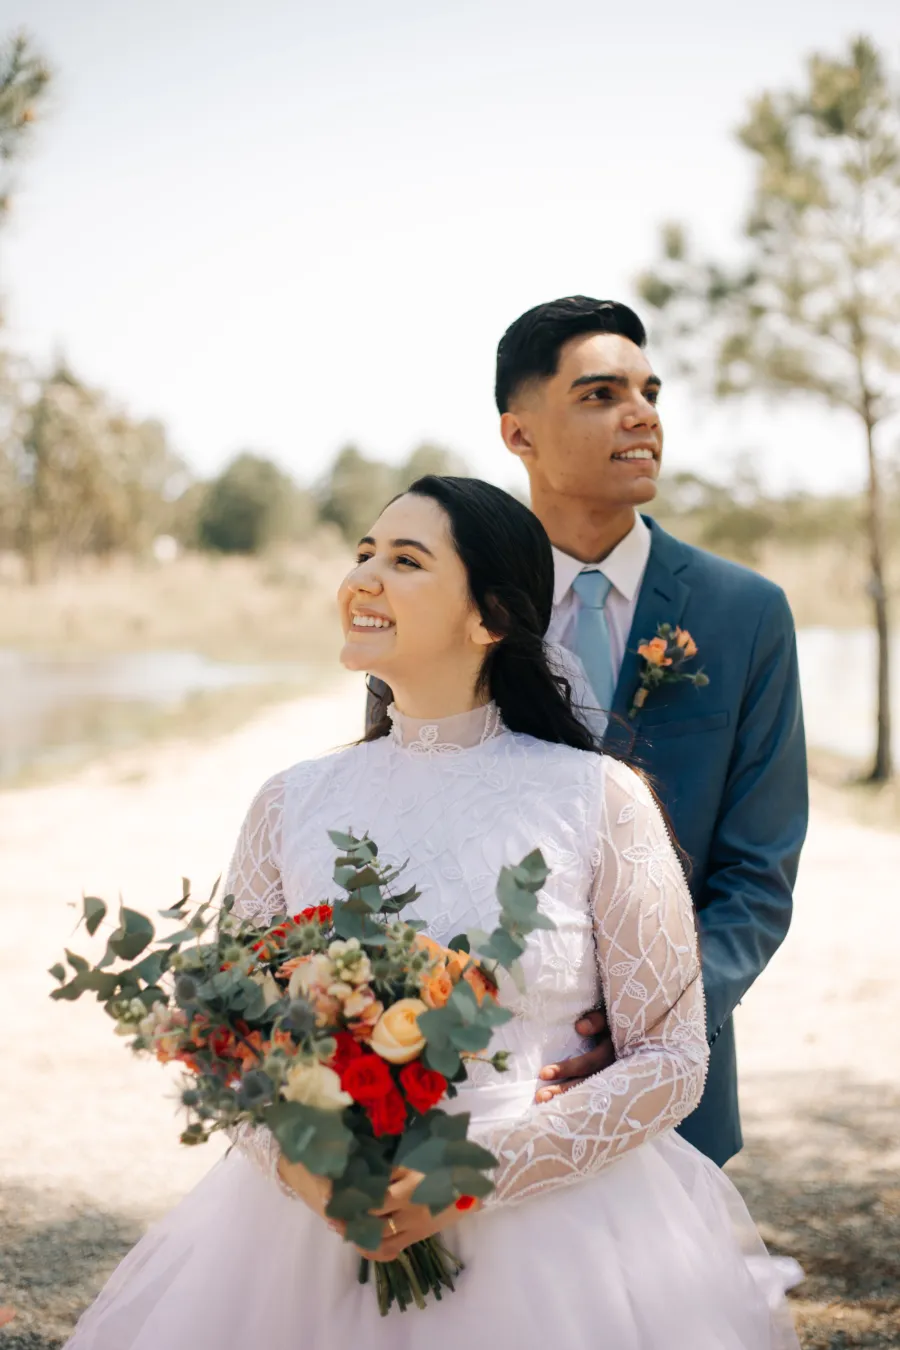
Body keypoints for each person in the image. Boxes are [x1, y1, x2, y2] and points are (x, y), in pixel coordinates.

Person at [66, 476, 799, 1349]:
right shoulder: (289, 802)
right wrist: (304, 1165)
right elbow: (226, 1037)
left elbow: (673, 1057)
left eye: (405, 561)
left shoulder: (597, 798)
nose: (364, 578)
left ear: (489, 617)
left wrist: (475, 1174)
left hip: (556, 1250)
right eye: (363, 553)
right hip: (303, 1245)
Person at [369, 298, 808, 1168]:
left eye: (650, 391)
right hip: (472, 1074)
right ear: (518, 433)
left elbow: (759, 870)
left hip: (678, 1086)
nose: (642, 414)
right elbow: (397, 813)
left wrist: (657, 1028)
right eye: (602, 394)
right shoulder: (450, 596)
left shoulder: (745, 613)